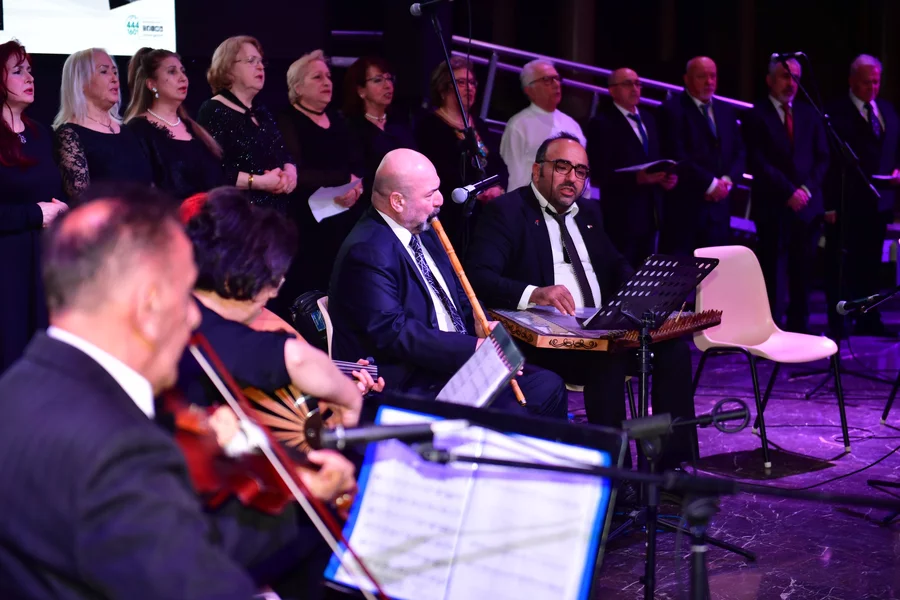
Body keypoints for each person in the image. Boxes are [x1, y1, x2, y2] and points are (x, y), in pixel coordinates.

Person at [0, 186, 358, 599]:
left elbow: (151, 542)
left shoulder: (15, 391)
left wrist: (299, 496)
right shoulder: (120, 446)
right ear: (149, 304)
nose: (194, 317)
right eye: (186, 293)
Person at [466, 133, 697, 470]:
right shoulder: (508, 212)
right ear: (537, 171)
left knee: (673, 351)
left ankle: (671, 469)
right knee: (607, 359)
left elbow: (615, 263)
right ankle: (616, 476)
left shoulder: (589, 212)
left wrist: (641, 292)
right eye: (562, 167)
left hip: (602, 330)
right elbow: (479, 276)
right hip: (548, 344)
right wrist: (535, 292)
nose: (572, 178)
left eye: (581, 171)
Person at [328, 148, 567, 419]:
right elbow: (395, 333)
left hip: (449, 364)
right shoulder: (368, 250)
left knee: (548, 384)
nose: (440, 200)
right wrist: (471, 349)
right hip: (412, 381)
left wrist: (478, 322)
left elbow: (459, 295)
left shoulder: (423, 229)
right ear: (397, 201)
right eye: (430, 194)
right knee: (521, 409)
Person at [179, 187, 383, 417]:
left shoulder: (180, 307)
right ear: (232, 279)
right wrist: (348, 395)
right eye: (270, 279)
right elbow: (295, 358)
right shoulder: (202, 331)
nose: (274, 292)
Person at [742, 58, 830, 334]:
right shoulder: (756, 115)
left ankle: (800, 327)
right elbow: (757, 160)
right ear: (769, 80)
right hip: (774, 205)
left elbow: (823, 157)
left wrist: (805, 190)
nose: (791, 83)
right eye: (784, 76)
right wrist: (789, 191)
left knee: (803, 271)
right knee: (773, 271)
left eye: (795, 77)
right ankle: (773, 328)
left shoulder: (810, 113)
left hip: (807, 206)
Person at [0, 40, 67, 374]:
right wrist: (35, 214)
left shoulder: (40, 132)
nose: (29, 77)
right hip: (6, 268)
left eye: (29, 70)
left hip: (42, 263)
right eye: (17, 71)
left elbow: (52, 191)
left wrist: (61, 210)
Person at [276, 50, 364, 300]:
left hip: (345, 217)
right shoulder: (286, 120)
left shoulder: (339, 119)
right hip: (307, 223)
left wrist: (355, 187)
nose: (327, 82)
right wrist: (342, 182)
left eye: (328, 76)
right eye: (317, 77)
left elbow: (357, 164)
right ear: (297, 87)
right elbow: (296, 173)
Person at [824, 54, 899, 337]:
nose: (872, 87)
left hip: (880, 201)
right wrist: (829, 204)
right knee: (843, 263)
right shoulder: (836, 113)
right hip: (848, 201)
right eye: (867, 82)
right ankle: (841, 320)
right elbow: (829, 162)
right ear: (852, 81)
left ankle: (870, 318)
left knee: (871, 263)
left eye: (876, 82)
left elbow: (893, 147)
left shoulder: (887, 110)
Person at [415, 57, 507, 255]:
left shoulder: (479, 124)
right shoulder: (430, 126)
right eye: (461, 82)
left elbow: (498, 165)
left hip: (485, 218)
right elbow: (439, 171)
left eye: (472, 82)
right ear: (443, 89)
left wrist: (498, 187)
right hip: (452, 215)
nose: (469, 88)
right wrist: (476, 191)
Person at [586, 67, 677, 268]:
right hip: (622, 214)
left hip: (651, 212)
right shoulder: (602, 123)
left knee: (646, 270)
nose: (635, 88)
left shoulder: (649, 119)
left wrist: (666, 177)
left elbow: (656, 158)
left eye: (637, 83)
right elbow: (599, 171)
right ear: (612, 90)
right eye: (627, 84)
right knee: (622, 271)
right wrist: (637, 178)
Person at [198, 35, 297, 212]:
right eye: (251, 61)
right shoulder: (213, 109)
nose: (260, 67)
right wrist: (259, 182)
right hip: (239, 215)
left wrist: (290, 174)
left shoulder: (261, 111)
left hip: (275, 213)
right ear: (228, 68)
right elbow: (211, 171)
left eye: (261, 61)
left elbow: (284, 154)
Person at [658, 56, 745, 255]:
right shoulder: (671, 110)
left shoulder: (726, 110)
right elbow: (677, 154)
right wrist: (710, 184)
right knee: (682, 269)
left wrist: (727, 180)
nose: (709, 82)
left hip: (720, 210)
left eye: (713, 76)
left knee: (717, 267)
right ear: (686, 79)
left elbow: (739, 151)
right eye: (702, 76)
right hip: (686, 209)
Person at [52, 48, 153, 200]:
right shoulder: (69, 135)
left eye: (115, 72)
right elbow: (81, 201)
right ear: (81, 81)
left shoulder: (126, 130)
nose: (114, 78)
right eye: (104, 71)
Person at [125, 47, 225, 198]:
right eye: (172, 72)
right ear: (152, 84)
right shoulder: (139, 130)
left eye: (182, 71)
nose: (183, 78)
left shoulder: (194, 128)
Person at [500, 59, 586, 192]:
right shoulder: (519, 125)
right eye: (547, 80)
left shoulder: (572, 125)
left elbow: (582, 172)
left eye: (557, 79)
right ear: (529, 90)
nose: (556, 84)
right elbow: (511, 175)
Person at [343, 56, 417, 199]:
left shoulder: (400, 122)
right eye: (378, 80)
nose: (388, 85)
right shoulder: (352, 128)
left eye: (389, 79)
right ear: (361, 91)